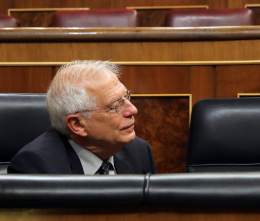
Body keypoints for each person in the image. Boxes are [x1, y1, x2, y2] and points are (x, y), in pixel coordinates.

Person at [8, 60, 157, 174]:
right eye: (115, 105)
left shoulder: (139, 151)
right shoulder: (36, 166)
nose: (133, 110)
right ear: (77, 124)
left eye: (126, 97)